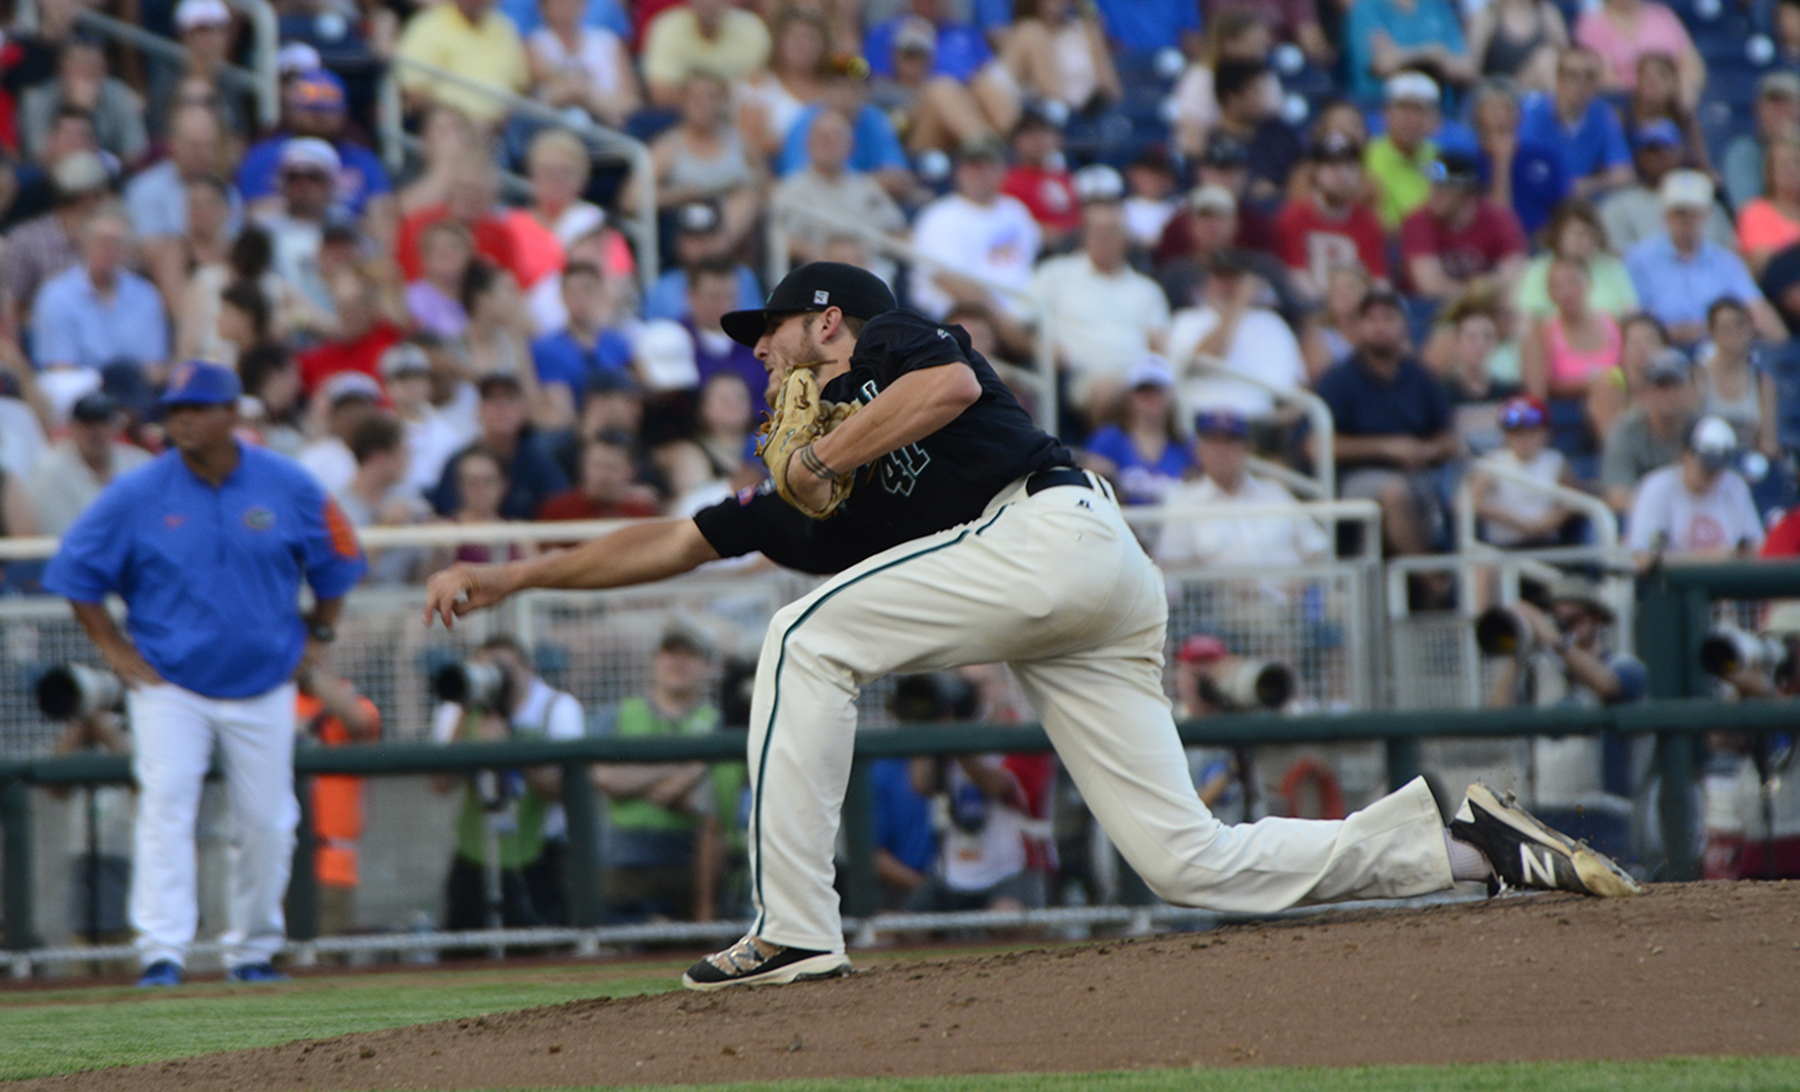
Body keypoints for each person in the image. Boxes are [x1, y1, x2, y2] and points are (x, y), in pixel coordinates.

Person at [425, 260, 1642, 993]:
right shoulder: (817, 483)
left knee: (805, 640)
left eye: (775, 334)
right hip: (1075, 594)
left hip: (1054, 533)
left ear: (829, 321)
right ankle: (1456, 843)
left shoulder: (887, 345)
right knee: (1186, 863)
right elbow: (681, 539)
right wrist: (517, 577)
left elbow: (950, 389)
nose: (765, 358)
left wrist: (829, 445)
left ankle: (794, 931)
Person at [43, 362, 367, 986]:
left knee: (268, 820)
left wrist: (320, 634)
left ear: (230, 414)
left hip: (265, 678)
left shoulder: (288, 482)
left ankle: (252, 949)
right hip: (170, 682)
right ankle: (162, 950)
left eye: (196, 406)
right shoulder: (139, 491)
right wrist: (112, 647)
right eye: (174, 408)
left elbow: (340, 559)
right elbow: (75, 571)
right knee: (166, 806)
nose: (182, 419)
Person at [431, 634, 584, 929]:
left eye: (504, 669)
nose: (496, 679)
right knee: (461, 953)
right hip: (474, 852)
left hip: (539, 856)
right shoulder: (459, 711)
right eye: (485, 669)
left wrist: (511, 748)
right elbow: (440, 783)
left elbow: (565, 792)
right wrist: (466, 715)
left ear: (529, 671)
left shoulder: (556, 707)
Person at [590, 621, 736, 921]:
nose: (678, 663)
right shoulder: (621, 714)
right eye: (671, 653)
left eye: (690, 655)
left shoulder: (717, 723)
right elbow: (604, 777)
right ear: (656, 660)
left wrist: (638, 777)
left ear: (707, 665)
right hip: (625, 865)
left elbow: (710, 804)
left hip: (694, 865)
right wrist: (686, 769)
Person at [1315, 288, 1462, 563]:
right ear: (1358, 327)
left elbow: (1449, 439)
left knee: (1464, 487)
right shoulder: (1338, 380)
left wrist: (1425, 451)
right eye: (1371, 320)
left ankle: (1466, 573)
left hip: (1420, 472)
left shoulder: (1421, 377)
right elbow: (1314, 445)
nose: (1380, 327)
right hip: (1357, 477)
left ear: (1405, 326)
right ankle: (1431, 578)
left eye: (1388, 319)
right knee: (1393, 491)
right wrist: (1385, 448)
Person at [1027, 171, 1172, 423]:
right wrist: (1040, 346)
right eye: (1098, 231)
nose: (1106, 239)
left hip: (1140, 376)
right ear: (1084, 235)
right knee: (1115, 391)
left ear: (1126, 236)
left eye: (1113, 230)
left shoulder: (1147, 289)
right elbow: (1018, 322)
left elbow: (1160, 344)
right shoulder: (1055, 274)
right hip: (1085, 377)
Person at [30, 205, 170, 419]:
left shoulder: (146, 295)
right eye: (100, 241)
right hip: (80, 404)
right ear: (84, 243)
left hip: (137, 398)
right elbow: (58, 368)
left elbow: (156, 368)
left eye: (116, 242)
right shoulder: (56, 295)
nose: (108, 249)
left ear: (127, 248)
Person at [1624, 171, 1787, 349]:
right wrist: (1675, 332)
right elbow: (1635, 318)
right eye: (1679, 212)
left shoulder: (1725, 261)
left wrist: (1781, 345)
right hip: (1664, 349)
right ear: (1665, 215)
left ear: (1707, 215)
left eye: (1694, 213)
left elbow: (1755, 307)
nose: (1687, 219)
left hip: (1721, 346)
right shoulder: (1638, 259)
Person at [1155, 408, 1332, 570]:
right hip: (1219, 602)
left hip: (1290, 601)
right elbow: (1174, 570)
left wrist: (1299, 583)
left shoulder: (1274, 492)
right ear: (1199, 450)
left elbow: (1316, 548)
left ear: (1248, 449)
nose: (1222, 452)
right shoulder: (1184, 502)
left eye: (1231, 443)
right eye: (1214, 442)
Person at [295, 664, 381, 940]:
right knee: (274, 965)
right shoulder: (268, 699)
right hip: (274, 860)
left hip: (331, 863)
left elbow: (361, 722)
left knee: (327, 963)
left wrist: (310, 673)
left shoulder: (349, 699)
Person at [1626, 414, 1764, 569]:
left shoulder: (1735, 486)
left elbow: (1757, 550)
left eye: (1717, 468)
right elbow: (1642, 559)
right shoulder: (1656, 488)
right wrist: (1711, 558)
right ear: (1685, 455)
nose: (1711, 474)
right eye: (1706, 466)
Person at [1399, 151, 1529, 302]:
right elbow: (1430, 286)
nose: (1436, 193)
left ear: (1468, 193)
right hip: (1429, 310)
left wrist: (1483, 294)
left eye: (1446, 187)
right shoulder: (1418, 221)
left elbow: (1514, 276)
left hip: (1488, 308)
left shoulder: (1498, 219)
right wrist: (1478, 293)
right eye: (1434, 185)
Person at [1275, 132, 1389, 299]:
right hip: (1309, 310)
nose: (1341, 174)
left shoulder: (1368, 221)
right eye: (1332, 166)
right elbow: (1294, 277)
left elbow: (1378, 281)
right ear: (1316, 172)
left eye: (1349, 166)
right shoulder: (1293, 217)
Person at [28, 392, 152, 537]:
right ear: (71, 427)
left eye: (104, 423)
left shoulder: (140, 462)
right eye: (87, 424)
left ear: (117, 426)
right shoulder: (48, 470)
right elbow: (59, 532)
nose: (97, 432)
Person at [1517, 48, 1633, 203]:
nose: (1581, 83)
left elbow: (1624, 173)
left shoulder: (1602, 114)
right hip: (1537, 195)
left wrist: (1587, 184)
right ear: (1559, 79)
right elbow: (1521, 164)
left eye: (1589, 77)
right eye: (1573, 75)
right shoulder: (1532, 111)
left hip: (1581, 201)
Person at [1076, 356, 1193, 507]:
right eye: (1143, 392)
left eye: (1157, 391)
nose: (1150, 399)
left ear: (1170, 396)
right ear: (1129, 397)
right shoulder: (1108, 440)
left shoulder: (1185, 448)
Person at [394, 0, 531, 129]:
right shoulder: (428, 25)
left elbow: (520, 88)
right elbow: (415, 93)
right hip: (444, 129)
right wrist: (465, 125)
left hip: (498, 133)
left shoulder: (505, 28)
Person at [1599, 345, 1699, 515]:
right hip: (1639, 520)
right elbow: (1617, 496)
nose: (1669, 394)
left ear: (1690, 389)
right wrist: (1669, 511)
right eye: (1661, 386)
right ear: (1647, 391)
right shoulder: (1626, 431)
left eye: (1676, 386)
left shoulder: (1703, 430)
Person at [1468, 394, 1577, 547]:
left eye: (1531, 432)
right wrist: (1517, 522)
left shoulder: (1555, 461)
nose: (1524, 439)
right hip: (1504, 546)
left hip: (1546, 544)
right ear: (1506, 435)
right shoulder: (1493, 462)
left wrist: (1546, 523)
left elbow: (1572, 500)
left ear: (1545, 432)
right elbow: (1473, 500)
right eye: (1517, 433)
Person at [641, 0, 773, 108]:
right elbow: (661, 95)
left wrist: (694, 93)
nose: (709, 3)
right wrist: (725, 93)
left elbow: (761, 89)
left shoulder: (753, 29)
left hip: (738, 120)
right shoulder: (666, 26)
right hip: (679, 118)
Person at [1365, 71, 1444, 231]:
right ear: (1386, 113)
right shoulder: (1366, 155)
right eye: (1403, 109)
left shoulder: (1440, 158)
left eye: (1419, 110)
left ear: (1434, 119)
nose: (1411, 119)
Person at [1698, 299, 1777, 456]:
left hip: (1747, 460)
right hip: (1707, 460)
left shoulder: (1762, 381)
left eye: (1740, 325)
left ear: (1750, 328)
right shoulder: (1698, 375)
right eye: (1726, 328)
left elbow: (1768, 441)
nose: (1734, 332)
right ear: (1713, 332)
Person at [1722, 72, 1800, 212]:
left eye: (1786, 103)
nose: (1779, 111)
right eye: (1772, 103)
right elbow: (1747, 210)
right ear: (1758, 108)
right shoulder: (1742, 151)